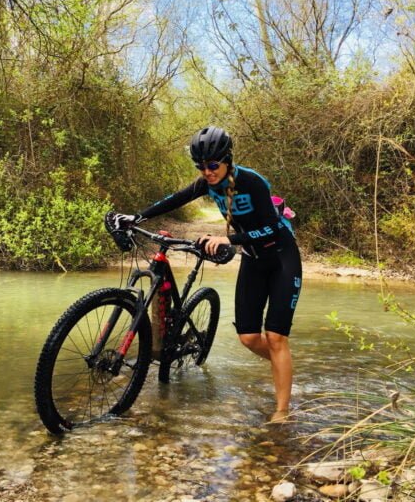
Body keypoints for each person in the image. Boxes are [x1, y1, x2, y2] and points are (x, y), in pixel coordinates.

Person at [110, 126, 303, 424]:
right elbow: (174, 200)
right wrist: (138, 217)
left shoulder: (252, 182)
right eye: (201, 166)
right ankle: (283, 365)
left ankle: (282, 411)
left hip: (281, 258)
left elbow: (274, 229)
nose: (207, 172)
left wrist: (229, 240)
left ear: (227, 159)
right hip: (253, 258)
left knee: (276, 337)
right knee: (249, 338)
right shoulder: (206, 183)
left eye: (213, 165)